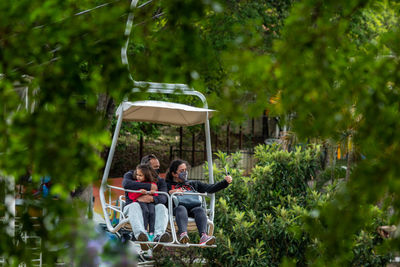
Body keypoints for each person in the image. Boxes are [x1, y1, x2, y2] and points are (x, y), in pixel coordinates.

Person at [166, 159, 233, 245]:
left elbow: (210, 188)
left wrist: (225, 182)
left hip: (193, 208)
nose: (185, 173)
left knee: (200, 210)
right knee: (181, 209)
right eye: (181, 171)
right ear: (174, 174)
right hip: (178, 210)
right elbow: (162, 195)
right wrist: (172, 192)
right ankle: (183, 234)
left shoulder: (193, 184)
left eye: (185, 170)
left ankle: (203, 236)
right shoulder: (168, 185)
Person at [123, 155, 171, 251]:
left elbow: (164, 197)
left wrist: (152, 199)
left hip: (152, 208)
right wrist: (150, 187)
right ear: (146, 167)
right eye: (155, 167)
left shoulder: (160, 180)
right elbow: (126, 184)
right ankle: (141, 235)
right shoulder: (132, 175)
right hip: (133, 206)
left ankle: (158, 236)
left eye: (158, 167)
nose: (157, 170)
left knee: (162, 207)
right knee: (135, 206)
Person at [127, 164, 158, 241]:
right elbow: (131, 196)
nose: (138, 177)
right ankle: (144, 231)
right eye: (137, 175)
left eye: (140, 175)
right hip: (140, 202)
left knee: (152, 213)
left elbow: (156, 194)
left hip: (150, 203)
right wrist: (140, 192)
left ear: (146, 176)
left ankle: (151, 232)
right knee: (145, 211)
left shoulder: (152, 184)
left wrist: (152, 192)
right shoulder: (136, 184)